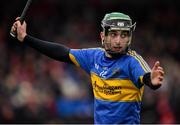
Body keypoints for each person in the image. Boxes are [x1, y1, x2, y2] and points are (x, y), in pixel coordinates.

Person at [11, 12, 164, 124]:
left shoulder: (132, 61)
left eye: (124, 35)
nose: (118, 41)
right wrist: (25, 38)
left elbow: (146, 77)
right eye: (114, 34)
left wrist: (152, 80)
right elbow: (62, 53)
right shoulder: (93, 56)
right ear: (102, 36)